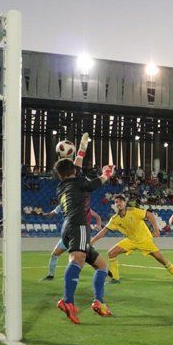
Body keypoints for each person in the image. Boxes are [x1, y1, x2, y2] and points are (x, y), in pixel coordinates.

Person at [54, 132, 115, 324]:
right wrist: (106, 173)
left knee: (102, 266)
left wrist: (82, 148)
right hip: (78, 224)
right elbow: (93, 184)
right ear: (72, 171)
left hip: (69, 226)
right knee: (77, 259)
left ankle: (99, 302)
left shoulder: (63, 185)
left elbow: (77, 168)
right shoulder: (78, 182)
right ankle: (67, 301)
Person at [91, 195, 173, 283]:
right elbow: (104, 231)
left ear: (125, 202)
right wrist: (92, 241)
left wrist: (156, 230)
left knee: (161, 259)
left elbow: (149, 215)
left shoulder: (133, 211)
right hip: (131, 240)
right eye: (116, 202)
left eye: (120, 201)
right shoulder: (114, 219)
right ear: (115, 205)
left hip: (145, 240)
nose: (118, 203)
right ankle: (115, 278)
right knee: (111, 253)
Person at [41, 204, 102, 282]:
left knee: (88, 258)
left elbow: (97, 216)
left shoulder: (80, 206)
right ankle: (50, 275)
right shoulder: (62, 205)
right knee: (54, 254)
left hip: (80, 237)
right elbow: (51, 214)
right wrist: (44, 214)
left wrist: (98, 225)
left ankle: (101, 274)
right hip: (67, 236)